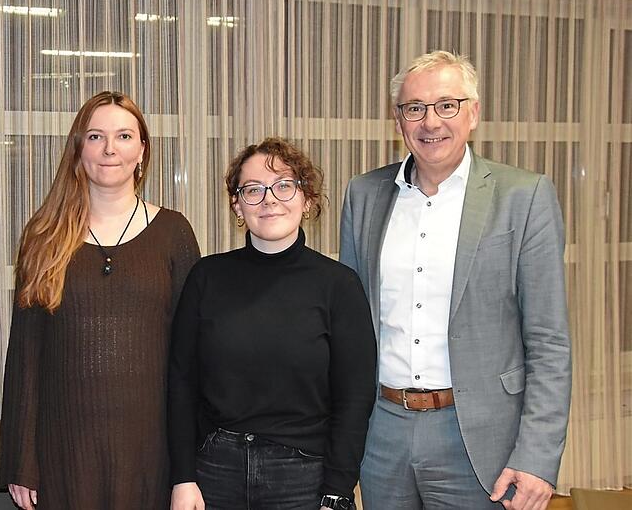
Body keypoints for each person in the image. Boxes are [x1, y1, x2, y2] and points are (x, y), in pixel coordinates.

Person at [339, 51, 571, 510]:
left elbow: (548, 341)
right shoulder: (363, 195)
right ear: (399, 120)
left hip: (480, 438)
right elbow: (349, 324)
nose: (431, 122)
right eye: (415, 108)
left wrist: (539, 455)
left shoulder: (523, 197)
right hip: (381, 432)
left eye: (447, 105)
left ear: (474, 112)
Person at [0, 91, 201, 509]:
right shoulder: (44, 236)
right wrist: (21, 459)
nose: (110, 149)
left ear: (142, 150)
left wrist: (188, 470)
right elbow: (26, 354)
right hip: (65, 458)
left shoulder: (174, 233)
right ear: (78, 150)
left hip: (151, 454)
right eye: (95, 136)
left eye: (124, 136)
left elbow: (191, 359)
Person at [169, 137, 376, 510]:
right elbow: (181, 384)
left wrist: (338, 491)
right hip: (214, 472)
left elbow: (354, 397)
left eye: (283, 185)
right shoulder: (206, 278)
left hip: (303, 478)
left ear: (307, 198)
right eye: (253, 189)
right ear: (236, 203)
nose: (269, 200)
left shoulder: (339, 285)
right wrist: (183, 477)